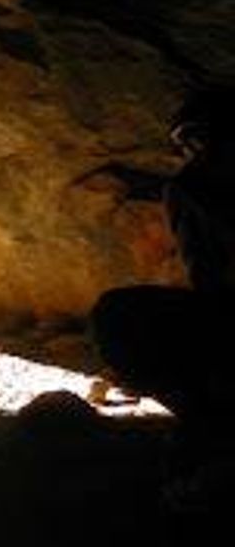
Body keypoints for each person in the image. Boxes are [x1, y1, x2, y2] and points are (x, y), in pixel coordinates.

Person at [91, 89, 235, 424]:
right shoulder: (194, 185)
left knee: (117, 316)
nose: (189, 153)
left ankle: (211, 420)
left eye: (191, 143)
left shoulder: (193, 186)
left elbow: (208, 277)